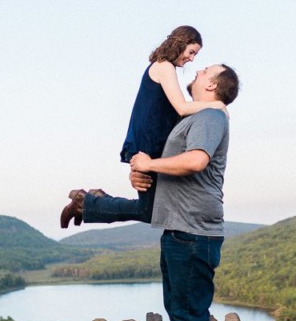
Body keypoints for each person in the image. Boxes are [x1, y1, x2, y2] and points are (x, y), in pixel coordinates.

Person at [129, 63, 240, 321]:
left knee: (189, 317)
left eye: (204, 69)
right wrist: (143, 170)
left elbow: (196, 160)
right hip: (182, 230)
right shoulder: (202, 115)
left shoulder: (210, 115)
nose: (195, 70)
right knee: (183, 314)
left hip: (192, 234)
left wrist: (151, 162)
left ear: (211, 84)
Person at [60, 26, 225, 228]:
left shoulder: (166, 68)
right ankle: (86, 202)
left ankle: (91, 200)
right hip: (148, 145)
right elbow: (181, 107)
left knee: (152, 209)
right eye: (191, 52)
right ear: (180, 44)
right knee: (150, 211)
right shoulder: (164, 67)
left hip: (154, 145)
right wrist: (217, 104)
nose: (192, 59)